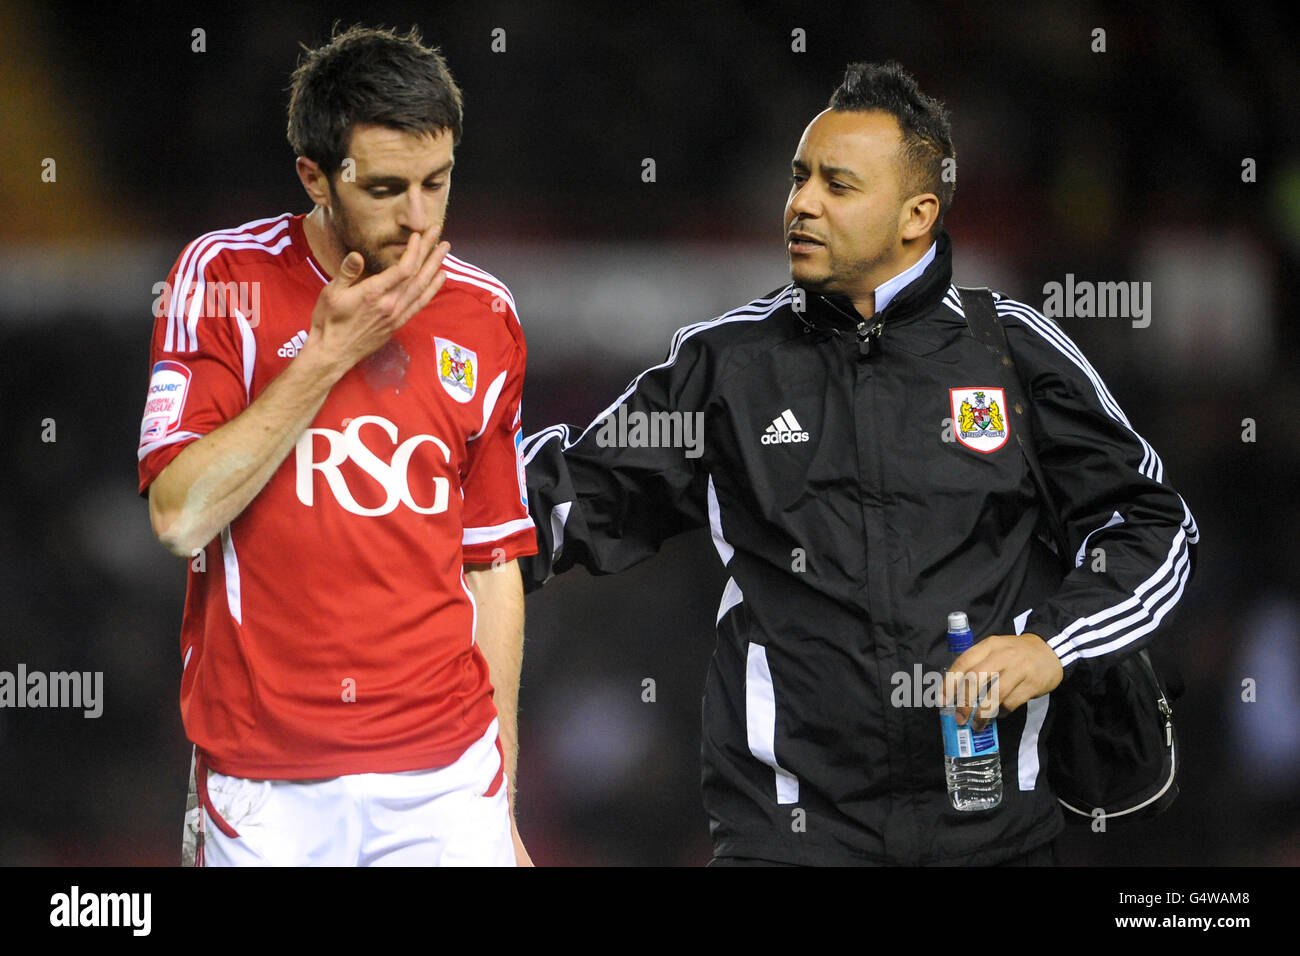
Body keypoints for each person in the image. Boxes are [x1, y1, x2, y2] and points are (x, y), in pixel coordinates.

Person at [519, 60, 1198, 865]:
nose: (801, 203)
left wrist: (1050, 645)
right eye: (799, 178)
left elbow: (1153, 525)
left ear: (917, 214)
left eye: (837, 186)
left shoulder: (1009, 352)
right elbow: (555, 502)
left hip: (994, 840)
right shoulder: (728, 368)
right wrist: (398, 500)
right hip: (787, 839)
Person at [137, 24, 536, 866]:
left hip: (447, 778)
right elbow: (179, 517)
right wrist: (327, 356)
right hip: (266, 781)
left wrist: (499, 800)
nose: (420, 218)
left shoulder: (487, 313)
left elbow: (493, 564)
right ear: (315, 177)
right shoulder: (223, 279)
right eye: (387, 188)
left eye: (438, 182)